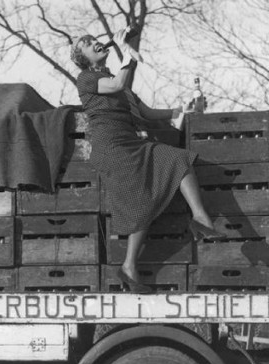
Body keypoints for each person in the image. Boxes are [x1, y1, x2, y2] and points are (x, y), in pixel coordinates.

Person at [71, 30, 224, 294]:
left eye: (94, 38)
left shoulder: (117, 81)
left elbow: (147, 113)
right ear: (82, 58)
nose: (95, 42)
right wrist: (127, 53)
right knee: (140, 200)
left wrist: (181, 110)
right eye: (87, 43)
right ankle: (129, 266)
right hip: (112, 147)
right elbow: (118, 85)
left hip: (131, 144)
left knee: (178, 159)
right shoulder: (87, 78)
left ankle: (199, 217)